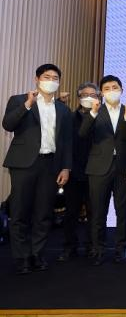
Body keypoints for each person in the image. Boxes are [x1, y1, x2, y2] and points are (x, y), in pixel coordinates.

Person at [3, 64, 72, 275]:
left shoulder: (63, 109)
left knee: (43, 212)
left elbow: (66, 141)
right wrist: (27, 105)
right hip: (24, 164)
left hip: (50, 164)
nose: (51, 81)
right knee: (20, 211)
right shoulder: (19, 100)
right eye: (46, 77)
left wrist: (66, 167)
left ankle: (37, 254)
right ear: (37, 79)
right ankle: (22, 257)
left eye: (55, 78)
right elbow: (8, 124)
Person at [80, 75, 126, 265]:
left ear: (121, 90)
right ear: (101, 93)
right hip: (98, 168)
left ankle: (121, 250)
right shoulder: (94, 111)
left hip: (123, 168)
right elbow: (82, 134)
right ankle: (98, 250)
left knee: (123, 211)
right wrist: (93, 113)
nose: (111, 91)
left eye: (115, 87)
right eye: (107, 88)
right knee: (97, 212)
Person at [57, 82, 97, 262]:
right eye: (85, 94)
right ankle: (69, 247)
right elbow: (63, 143)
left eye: (93, 95)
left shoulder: (102, 118)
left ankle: (92, 246)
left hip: (96, 172)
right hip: (73, 170)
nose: (89, 97)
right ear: (79, 97)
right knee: (71, 212)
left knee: (93, 213)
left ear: (98, 97)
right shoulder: (69, 117)